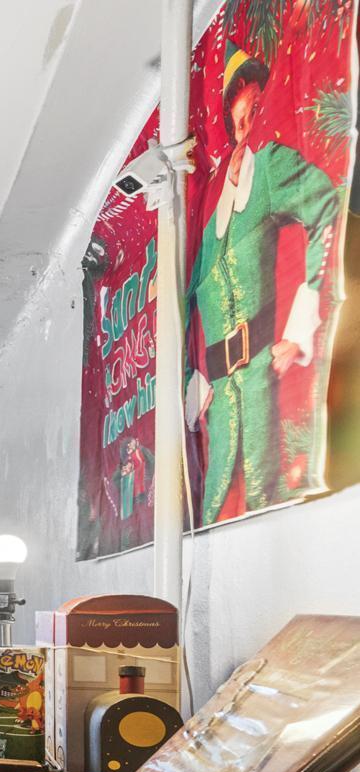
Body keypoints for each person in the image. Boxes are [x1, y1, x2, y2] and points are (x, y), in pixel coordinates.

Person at [185, 45, 343, 520]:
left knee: (264, 500)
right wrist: (193, 383)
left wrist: (296, 332)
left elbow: (325, 205)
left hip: (259, 379)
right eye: (239, 101)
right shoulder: (209, 226)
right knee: (212, 515)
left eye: (256, 102)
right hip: (218, 405)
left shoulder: (270, 167)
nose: (247, 112)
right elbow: (183, 303)